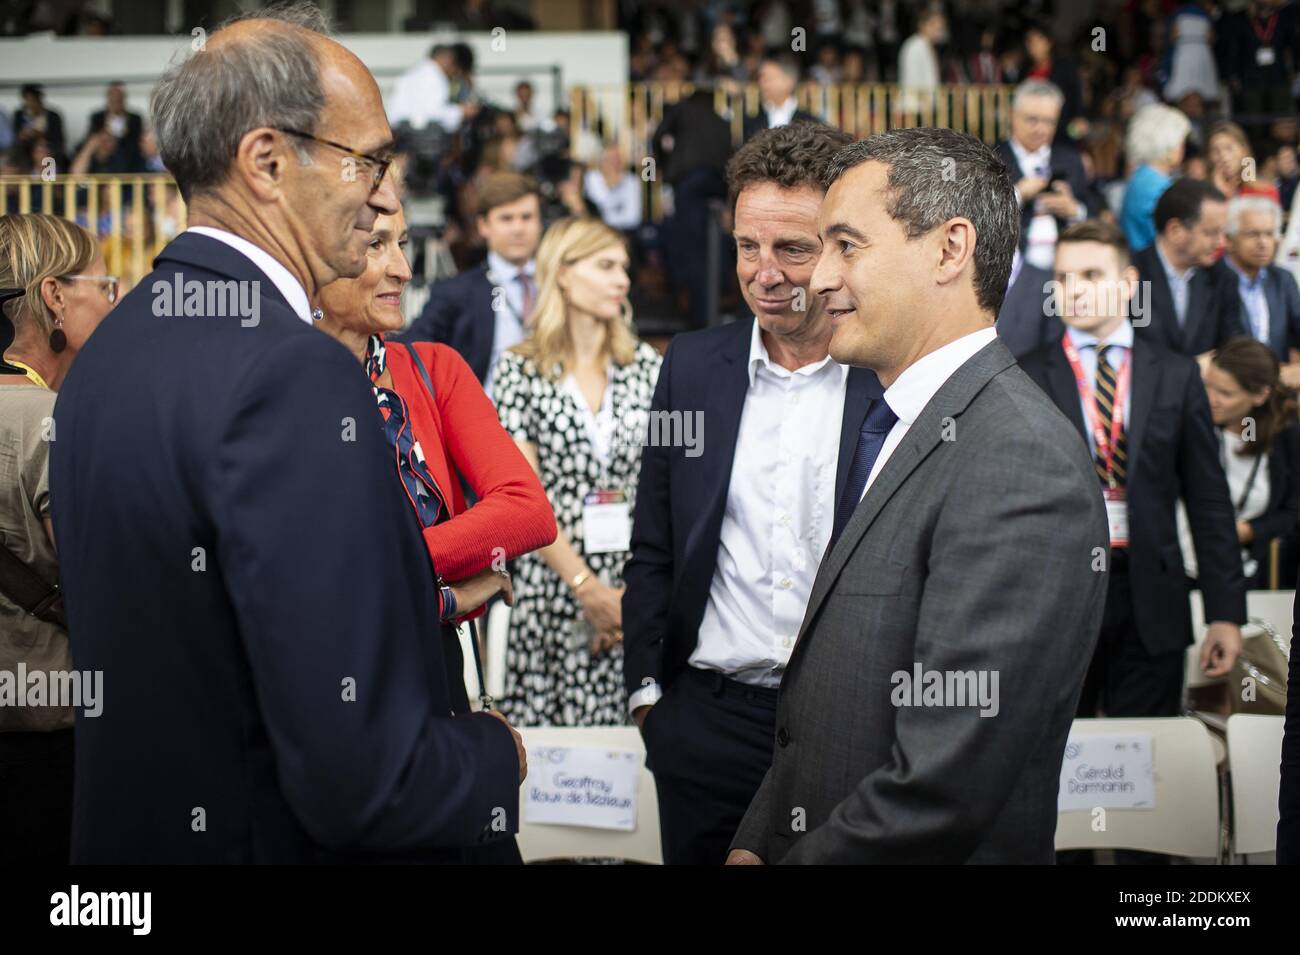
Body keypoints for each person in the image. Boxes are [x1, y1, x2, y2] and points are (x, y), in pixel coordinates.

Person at [49, 6, 524, 864]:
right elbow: (365, 782)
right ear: (267, 161)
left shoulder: (110, 350)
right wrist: (495, 755)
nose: (386, 194)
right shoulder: (291, 370)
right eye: (369, 160)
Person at [727, 128, 1109, 865]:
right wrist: (756, 840)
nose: (819, 278)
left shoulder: (1019, 458)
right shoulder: (900, 424)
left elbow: (945, 782)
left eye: (847, 245)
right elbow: (826, 709)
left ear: (949, 248)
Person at [624, 122, 889, 865]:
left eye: (792, 249)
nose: (764, 272)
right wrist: (649, 696)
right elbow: (656, 538)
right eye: (748, 246)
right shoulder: (692, 367)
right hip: (706, 726)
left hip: (849, 724)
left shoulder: (889, 378)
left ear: (842, 248)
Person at [1020, 221, 1244, 735]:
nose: (1073, 289)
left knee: (1145, 761)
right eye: (1063, 277)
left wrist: (1225, 613)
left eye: (1091, 274)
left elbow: (1209, 501)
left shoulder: (1175, 373)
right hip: (1056, 602)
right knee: (1054, 762)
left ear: (1127, 283)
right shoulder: (1025, 375)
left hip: (1152, 596)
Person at [493, 216, 662, 727]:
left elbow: (665, 491)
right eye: (606, 266)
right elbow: (524, 498)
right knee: (553, 780)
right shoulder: (518, 370)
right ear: (563, 274)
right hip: (553, 588)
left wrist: (626, 602)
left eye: (625, 268)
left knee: (631, 780)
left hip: (635, 594)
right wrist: (587, 589)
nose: (623, 281)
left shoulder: (648, 368)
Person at [0, 214, 114, 866]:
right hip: (55, 745)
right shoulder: (49, 420)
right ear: (53, 296)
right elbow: (102, 594)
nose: (110, 299)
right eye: (102, 283)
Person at [401, 172, 542, 396]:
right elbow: (409, 350)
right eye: (506, 218)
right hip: (487, 417)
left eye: (526, 217)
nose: (518, 228)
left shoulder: (561, 282)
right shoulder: (457, 292)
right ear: (484, 226)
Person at [1180, 337, 1300, 588]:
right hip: (1178, 573)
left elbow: (1292, 512)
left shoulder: (1285, 440)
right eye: (1207, 386)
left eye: (1225, 393)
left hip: (1244, 575)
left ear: (1260, 395)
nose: (1210, 398)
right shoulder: (1189, 426)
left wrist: (1248, 531)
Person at [1131, 178, 1244, 358]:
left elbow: (1235, 350)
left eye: (1223, 232)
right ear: (1175, 230)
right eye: (1210, 233)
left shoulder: (1222, 277)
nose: (1221, 242)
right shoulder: (1133, 276)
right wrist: (1192, 369)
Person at [995, 79, 1096, 271]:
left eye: (1049, 122)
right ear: (1013, 116)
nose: (1040, 129)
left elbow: (1095, 213)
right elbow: (975, 214)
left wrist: (1074, 210)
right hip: (1009, 273)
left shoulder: (1071, 160)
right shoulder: (991, 158)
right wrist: (1017, 195)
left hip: (1065, 270)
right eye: (1032, 120)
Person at [1223, 196, 1300, 380]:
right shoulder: (1213, 279)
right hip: (1231, 383)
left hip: (1276, 388)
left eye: (1269, 234)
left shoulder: (1282, 279)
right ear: (1229, 239)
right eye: (1252, 234)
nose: (1263, 243)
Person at [1119, 103, 1190, 253]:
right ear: (1169, 144)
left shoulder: (1142, 176)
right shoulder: (1155, 184)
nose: (1183, 149)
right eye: (1181, 143)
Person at [387, 43, 478, 133]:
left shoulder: (416, 72)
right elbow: (432, 116)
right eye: (457, 69)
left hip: (400, 135)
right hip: (418, 139)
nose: (455, 73)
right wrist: (462, 111)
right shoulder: (434, 76)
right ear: (449, 60)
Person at [741, 55, 820, 142]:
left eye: (768, 79)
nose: (762, 84)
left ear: (789, 81)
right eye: (760, 79)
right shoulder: (752, 119)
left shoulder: (809, 121)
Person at [1208, 121, 1282, 204]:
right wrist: (1217, 192)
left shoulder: (1265, 191)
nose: (1223, 156)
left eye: (1229, 148)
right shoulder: (1204, 194)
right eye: (1215, 150)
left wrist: (1226, 196)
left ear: (1243, 151)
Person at [82, 81, 145, 173]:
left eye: (118, 98)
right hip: (103, 156)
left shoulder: (135, 118)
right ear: (108, 98)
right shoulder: (97, 117)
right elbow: (92, 137)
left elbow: (137, 141)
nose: (115, 100)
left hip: (128, 156)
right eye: (113, 97)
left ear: (124, 98)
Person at [12, 84, 65, 168]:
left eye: (33, 100)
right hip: (26, 150)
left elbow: (59, 140)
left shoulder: (53, 116)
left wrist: (41, 135)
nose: (30, 104)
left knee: (44, 154)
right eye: (27, 100)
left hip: (48, 149)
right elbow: (15, 135)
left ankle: (48, 179)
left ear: (39, 100)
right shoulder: (19, 115)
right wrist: (23, 135)